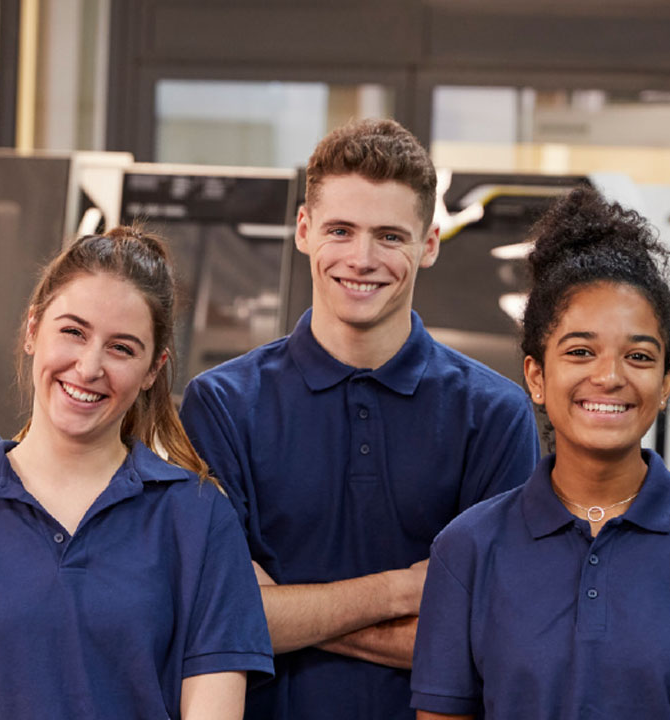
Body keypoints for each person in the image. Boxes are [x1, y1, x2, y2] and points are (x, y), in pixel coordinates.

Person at [179, 118, 540, 720]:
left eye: (390, 236)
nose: (362, 259)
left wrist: (284, 612)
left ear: (428, 245)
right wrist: (403, 591)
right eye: (340, 230)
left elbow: (490, 635)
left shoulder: (494, 416)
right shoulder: (221, 404)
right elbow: (212, 614)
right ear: (303, 230)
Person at [0, 227, 274, 719]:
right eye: (73, 332)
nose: (88, 367)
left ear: (154, 369)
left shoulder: (199, 517)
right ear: (31, 330)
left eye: (122, 348)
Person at [411, 187, 670, 718]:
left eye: (639, 355)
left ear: (667, 383)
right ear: (536, 376)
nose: (608, 377)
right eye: (580, 351)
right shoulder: (468, 549)